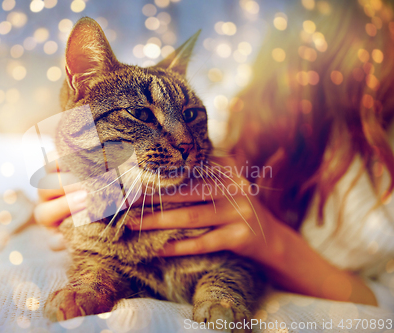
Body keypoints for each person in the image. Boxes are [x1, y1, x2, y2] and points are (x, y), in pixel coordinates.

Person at [35, 0, 394, 311]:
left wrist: (272, 240)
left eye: (190, 116)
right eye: (143, 115)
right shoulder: (260, 109)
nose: (182, 141)